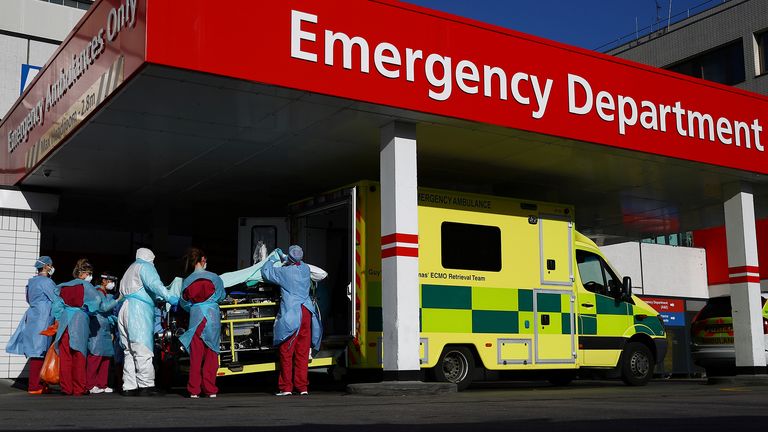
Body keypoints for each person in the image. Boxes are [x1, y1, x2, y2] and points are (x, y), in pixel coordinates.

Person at [261, 245, 321, 396]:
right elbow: (295, 266)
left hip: (291, 314)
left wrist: (272, 259)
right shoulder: (305, 269)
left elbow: (266, 272)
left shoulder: (284, 272)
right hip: (306, 312)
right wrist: (285, 259)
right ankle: (302, 387)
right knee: (302, 352)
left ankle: (286, 387)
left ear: (290, 257)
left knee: (286, 352)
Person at [118, 248, 178, 396]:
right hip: (138, 310)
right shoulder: (145, 267)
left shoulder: (130, 269)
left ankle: (129, 386)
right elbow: (155, 285)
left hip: (124, 308)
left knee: (129, 351)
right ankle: (146, 385)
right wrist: (169, 297)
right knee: (142, 348)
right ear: (150, 258)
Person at [52, 259, 106, 396]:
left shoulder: (64, 286)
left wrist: (59, 318)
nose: (90, 277)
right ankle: (79, 388)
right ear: (84, 274)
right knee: (79, 355)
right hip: (79, 320)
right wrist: (89, 310)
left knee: (65, 356)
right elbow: (97, 302)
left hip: (65, 321)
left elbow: (56, 306)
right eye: (89, 273)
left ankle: (66, 388)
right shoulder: (87, 287)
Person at [6, 256, 57, 394]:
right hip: (43, 317)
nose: (52, 267)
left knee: (39, 351)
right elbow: (56, 298)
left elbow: (29, 299)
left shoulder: (32, 282)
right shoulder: (47, 282)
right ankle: (34, 386)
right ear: (46, 266)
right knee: (39, 352)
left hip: (33, 316)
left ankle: (41, 383)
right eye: (50, 265)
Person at [178, 248, 226, 398]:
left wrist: (194, 307)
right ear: (203, 259)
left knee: (196, 356)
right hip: (211, 317)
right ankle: (210, 389)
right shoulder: (214, 278)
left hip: (195, 317)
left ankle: (194, 390)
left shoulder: (187, 281)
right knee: (211, 353)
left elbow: (184, 302)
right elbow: (220, 296)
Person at [86, 272, 119, 394]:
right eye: (110, 281)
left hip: (105, 327)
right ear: (104, 281)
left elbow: (108, 314)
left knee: (106, 356)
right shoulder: (97, 292)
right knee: (96, 356)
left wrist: (116, 320)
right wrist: (117, 300)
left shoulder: (105, 294)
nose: (112, 284)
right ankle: (90, 384)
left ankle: (102, 384)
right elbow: (103, 308)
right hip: (98, 327)